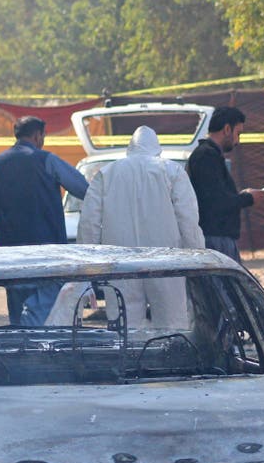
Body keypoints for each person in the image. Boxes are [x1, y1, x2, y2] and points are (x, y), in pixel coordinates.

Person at [77, 126, 204, 327]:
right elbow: (187, 220)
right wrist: (197, 258)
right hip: (167, 263)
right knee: (172, 325)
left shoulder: (106, 174)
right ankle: (169, 358)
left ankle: (131, 359)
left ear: (130, 148)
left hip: (120, 265)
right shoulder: (172, 171)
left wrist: (87, 265)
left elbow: (89, 223)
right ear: (157, 149)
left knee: (125, 329)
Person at [0, 115, 88, 325]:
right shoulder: (47, 160)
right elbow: (82, 189)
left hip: (10, 250)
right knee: (44, 307)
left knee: (16, 306)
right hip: (47, 248)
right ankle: (39, 351)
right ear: (38, 135)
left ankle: (19, 349)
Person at [186, 107, 264, 264]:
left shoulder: (210, 155)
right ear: (227, 129)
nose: (238, 141)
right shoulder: (206, 156)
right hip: (215, 242)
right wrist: (248, 198)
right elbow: (216, 202)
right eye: (238, 134)